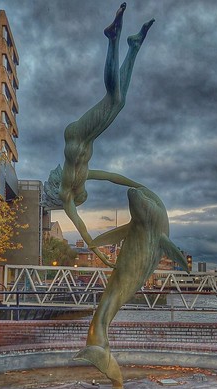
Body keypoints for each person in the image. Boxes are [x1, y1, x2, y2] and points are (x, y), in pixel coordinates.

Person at [58, 3, 154, 267]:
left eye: (83, 199)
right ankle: (133, 46)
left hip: (76, 134)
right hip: (83, 137)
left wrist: (102, 256)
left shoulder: (67, 192)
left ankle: (113, 38)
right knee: (119, 103)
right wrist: (138, 185)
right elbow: (113, 178)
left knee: (113, 98)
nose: (85, 198)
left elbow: (83, 230)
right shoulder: (83, 176)